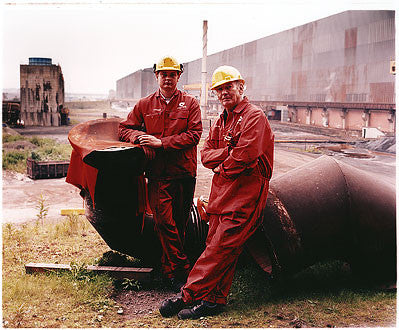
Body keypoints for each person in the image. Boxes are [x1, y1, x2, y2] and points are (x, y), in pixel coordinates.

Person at [159, 65, 274, 319]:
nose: (223, 93)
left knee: (218, 249)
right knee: (217, 246)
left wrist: (222, 166)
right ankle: (213, 301)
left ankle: (186, 295)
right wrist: (225, 157)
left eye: (228, 87)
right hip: (221, 195)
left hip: (246, 195)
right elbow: (205, 155)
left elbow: (246, 156)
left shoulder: (254, 117)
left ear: (241, 87)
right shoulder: (222, 120)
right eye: (219, 90)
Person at [118, 56, 203, 292]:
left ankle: (169, 272)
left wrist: (161, 143)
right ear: (156, 76)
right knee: (164, 223)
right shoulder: (144, 104)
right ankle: (183, 270)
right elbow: (124, 128)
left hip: (184, 173)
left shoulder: (190, 103)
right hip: (157, 175)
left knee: (180, 224)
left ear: (178, 76)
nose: (168, 78)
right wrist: (138, 138)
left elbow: (194, 135)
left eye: (172, 74)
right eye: (163, 74)